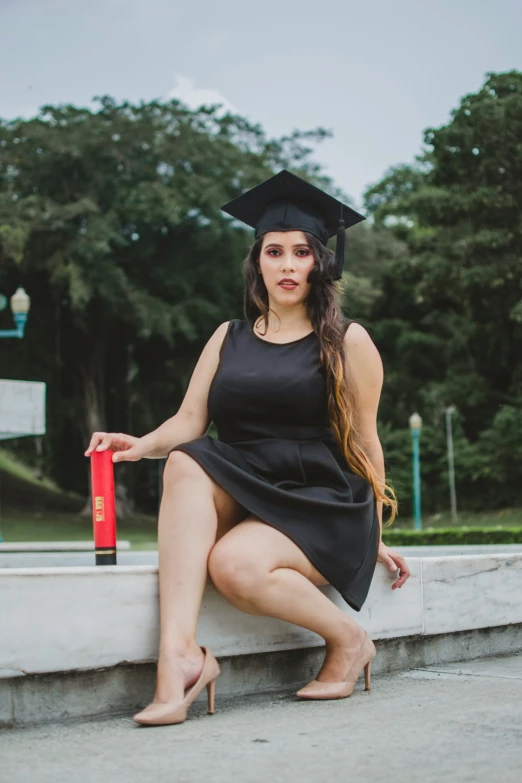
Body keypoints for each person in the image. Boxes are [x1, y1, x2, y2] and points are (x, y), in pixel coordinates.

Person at [85, 169, 411, 727]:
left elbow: (364, 442)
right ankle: (180, 659)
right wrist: (137, 446)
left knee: (234, 565)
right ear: (257, 260)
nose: (288, 264)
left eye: (302, 252)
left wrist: (373, 537)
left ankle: (350, 639)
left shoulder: (347, 342)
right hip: (248, 483)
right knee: (188, 459)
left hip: (318, 499)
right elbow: (189, 422)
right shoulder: (227, 336)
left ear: (320, 263)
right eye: (275, 251)